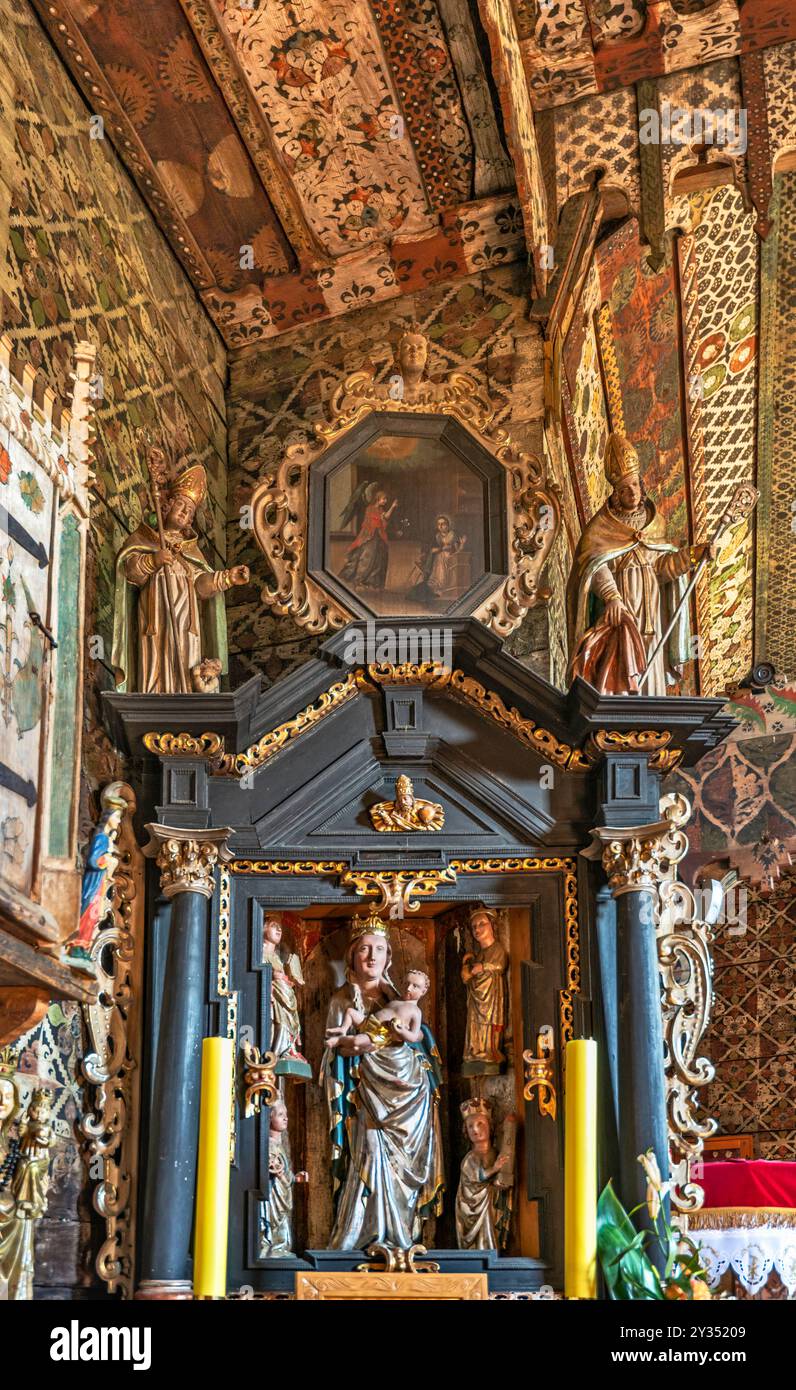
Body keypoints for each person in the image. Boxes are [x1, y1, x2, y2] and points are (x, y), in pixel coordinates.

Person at [321, 914, 444, 1249]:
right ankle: (367, 1233)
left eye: (379, 949)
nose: (371, 956)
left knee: (405, 1168)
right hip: (368, 1098)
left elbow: (419, 1040)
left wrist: (390, 1043)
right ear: (352, 957)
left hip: (410, 1098)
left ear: (389, 957)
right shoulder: (341, 1001)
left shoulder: (401, 1000)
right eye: (364, 949)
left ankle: (404, 1237)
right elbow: (336, 1057)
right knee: (371, 1156)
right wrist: (365, 1046)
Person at [566, 433, 716, 695]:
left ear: (641, 485)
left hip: (652, 616)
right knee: (619, 669)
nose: (631, 493)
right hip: (621, 614)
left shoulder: (655, 524)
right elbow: (594, 565)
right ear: (615, 493)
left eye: (634, 485)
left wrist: (694, 555)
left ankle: (651, 713)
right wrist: (612, 598)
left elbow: (663, 568)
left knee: (651, 670)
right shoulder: (601, 528)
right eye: (624, 489)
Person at [111, 462, 249, 692]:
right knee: (157, 659)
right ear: (166, 506)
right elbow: (131, 573)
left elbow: (201, 586)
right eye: (182, 505)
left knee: (185, 667)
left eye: (190, 512)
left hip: (187, 626)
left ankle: (183, 696)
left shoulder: (191, 552)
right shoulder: (144, 539)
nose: (185, 513)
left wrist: (226, 578)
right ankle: (153, 696)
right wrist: (153, 561)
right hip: (155, 620)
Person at [325, 968, 429, 1050]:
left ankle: (339, 1041)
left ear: (423, 992)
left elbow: (414, 1036)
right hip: (368, 1020)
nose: (408, 988)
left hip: (380, 1032)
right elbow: (384, 984)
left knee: (357, 1041)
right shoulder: (397, 998)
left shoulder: (416, 1011)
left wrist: (401, 1031)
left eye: (415, 986)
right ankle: (343, 1029)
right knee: (350, 1012)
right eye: (406, 983)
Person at [339, 487, 396, 590]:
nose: (385, 501)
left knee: (379, 559)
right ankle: (358, 580)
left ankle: (371, 582)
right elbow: (372, 521)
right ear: (378, 499)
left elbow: (385, 518)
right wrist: (378, 522)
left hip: (378, 536)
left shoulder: (381, 509)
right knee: (366, 559)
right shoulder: (370, 508)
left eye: (386, 499)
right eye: (384, 499)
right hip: (369, 536)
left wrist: (392, 507)